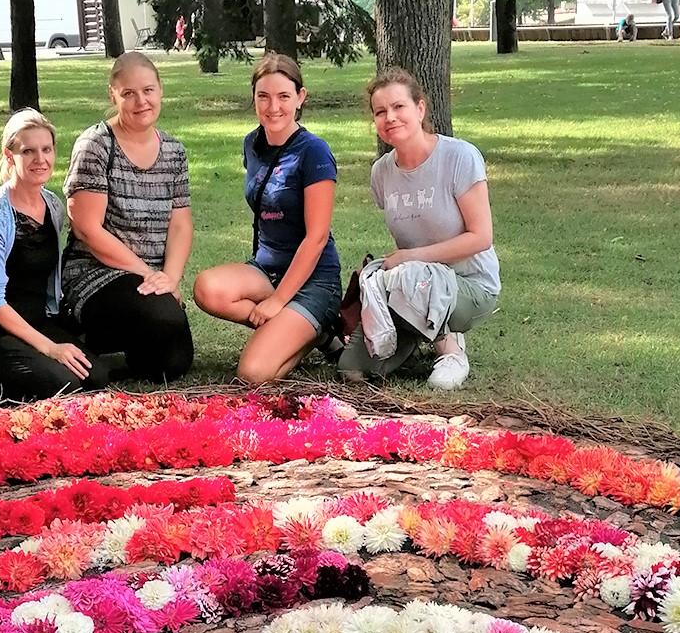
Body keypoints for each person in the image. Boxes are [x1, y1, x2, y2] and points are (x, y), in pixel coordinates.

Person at [338, 69, 500, 392]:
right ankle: (412, 333)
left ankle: (450, 348)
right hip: (413, 285)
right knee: (352, 369)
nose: (390, 117)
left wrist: (411, 258)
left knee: (412, 275)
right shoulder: (381, 173)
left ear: (421, 109)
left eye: (399, 107)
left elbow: (481, 237)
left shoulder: (459, 157)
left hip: (468, 286)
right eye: (380, 112)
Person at [193, 53, 342, 385]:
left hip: (313, 280)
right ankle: (308, 333)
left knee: (254, 374)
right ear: (254, 98)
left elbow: (316, 238)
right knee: (207, 288)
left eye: (284, 96)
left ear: (300, 98)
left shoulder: (314, 151)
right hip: (265, 270)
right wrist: (271, 298)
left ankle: (309, 326)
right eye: (264, 96)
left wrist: (278, 301)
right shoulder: (252, 143)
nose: (273, 107)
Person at [0, 109, 108, 402]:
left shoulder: (53, 206)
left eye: (46, 149)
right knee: (63, 384)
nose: (40, 159)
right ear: (10, 157)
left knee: (95, 376)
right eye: (28, 151)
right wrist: (50, 348)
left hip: (33, 321)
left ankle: (10, 368)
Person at [62, 52, 195, 382]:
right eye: (128, 94)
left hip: (151, 279)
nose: (141, 101)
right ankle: (82, 337)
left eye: (148, 91)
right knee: (163, 318)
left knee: (175, 363)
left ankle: (110, 352)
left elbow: (181, 222)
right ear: (113, 95)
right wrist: (148, 274)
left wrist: (170, 278)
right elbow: (87, 229)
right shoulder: (96, 145)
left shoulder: (174, 151)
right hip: (97, 272)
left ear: (160, 90)